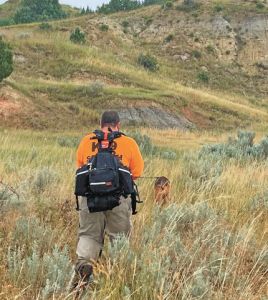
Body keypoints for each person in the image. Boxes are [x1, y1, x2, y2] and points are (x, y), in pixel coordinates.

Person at [73, 111, 144, 288]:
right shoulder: (128, 143)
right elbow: (137, 173)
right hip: (119, 199)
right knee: (118, 238)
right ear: (118, 124)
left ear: (100, 123)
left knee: (89, 235)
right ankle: (115, 278)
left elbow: (80, 167)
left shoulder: (86, 141)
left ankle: (84, 272)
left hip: (89, 200)